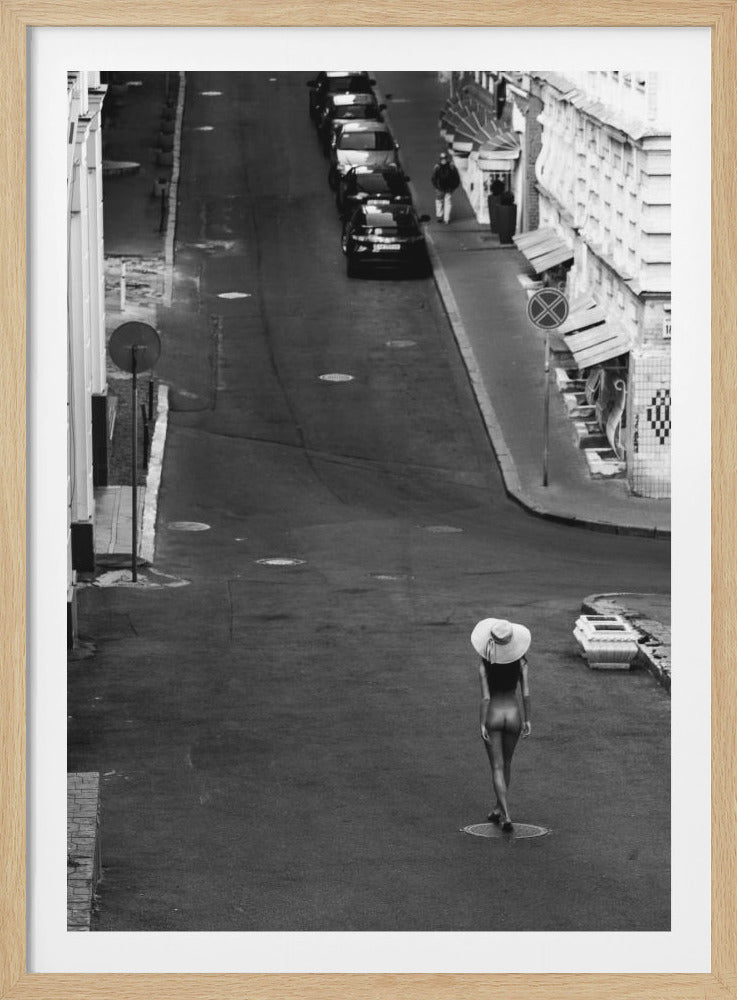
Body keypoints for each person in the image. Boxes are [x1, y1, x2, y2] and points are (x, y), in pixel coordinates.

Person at [471, 618, 532, 832]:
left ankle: (506, 814)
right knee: (507, 763)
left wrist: (481, 724)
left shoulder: (484, 664)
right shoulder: (522, 663)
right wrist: (527, 719)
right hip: (514, 713)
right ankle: (498, 807)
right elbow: (525, 693)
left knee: (496, 766)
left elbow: (485, 698)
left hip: (494, 714)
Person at [430, 150, 460, 224]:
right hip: (447, 188)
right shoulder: (451, 166)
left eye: (444, 159)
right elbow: (457, 178)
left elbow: (433, 178)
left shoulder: (437, 166)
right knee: (447, 202)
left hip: (441, 188)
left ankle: (440, 216)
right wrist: (453, 187)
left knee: (440, 202)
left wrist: (436, 186)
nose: (443, 160)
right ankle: (446, 218)